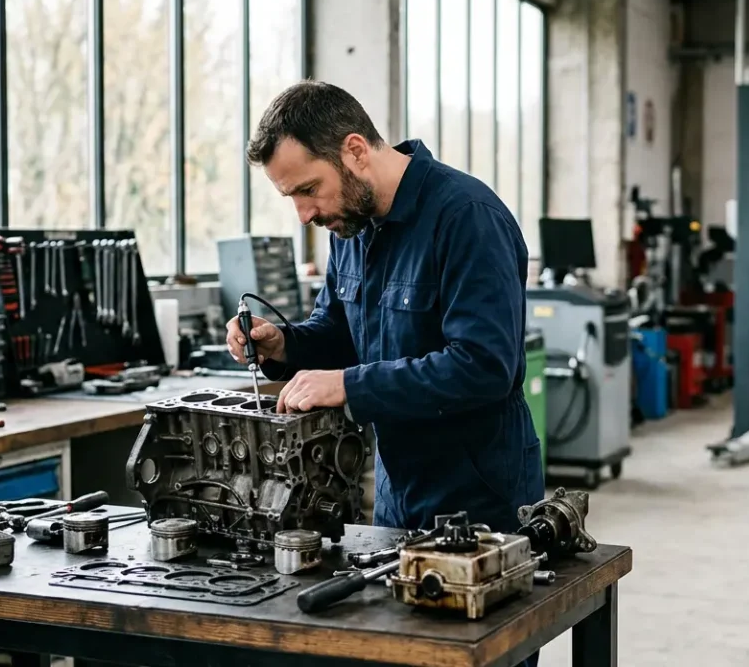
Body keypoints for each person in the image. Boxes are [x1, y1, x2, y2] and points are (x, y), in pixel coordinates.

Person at [226, 80, 545, 538]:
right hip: (396, 498)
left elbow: (484, 367)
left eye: (310, 188)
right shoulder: (351, 230)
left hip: (479, 500)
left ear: (355, 150)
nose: (303, 214)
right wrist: (282, 343)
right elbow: (338, 334)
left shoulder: (467, 217)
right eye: (291, 197)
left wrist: (349, 385)